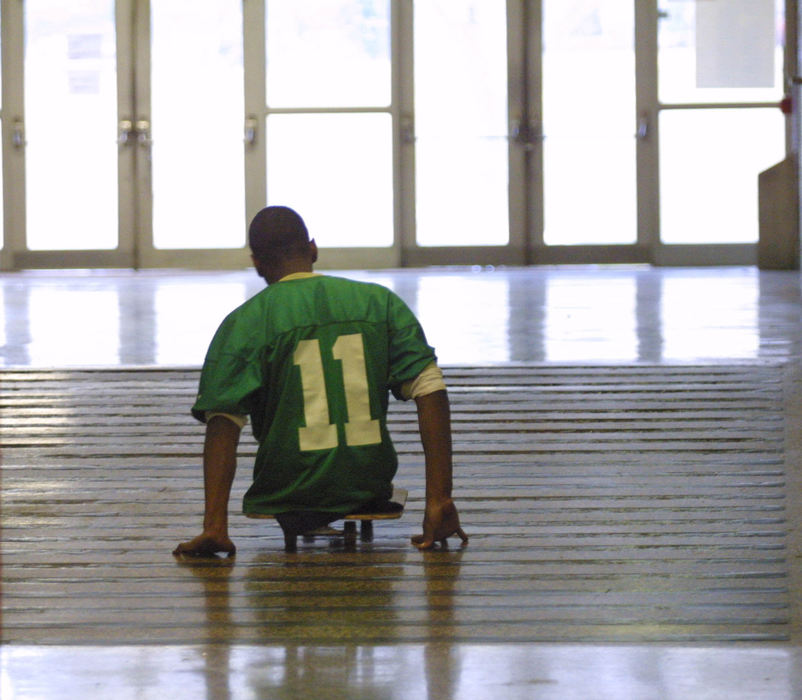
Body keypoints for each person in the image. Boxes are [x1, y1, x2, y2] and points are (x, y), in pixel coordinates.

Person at [174, 206, 467, 555]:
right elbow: (430, 388)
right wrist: (439, 498)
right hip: (368, 486)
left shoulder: (244, 323)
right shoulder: (379, 303)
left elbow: (223, 421)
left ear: (256, 263)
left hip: (285, 489)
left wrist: (214, 526)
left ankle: (217, 527)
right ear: (313, 249)